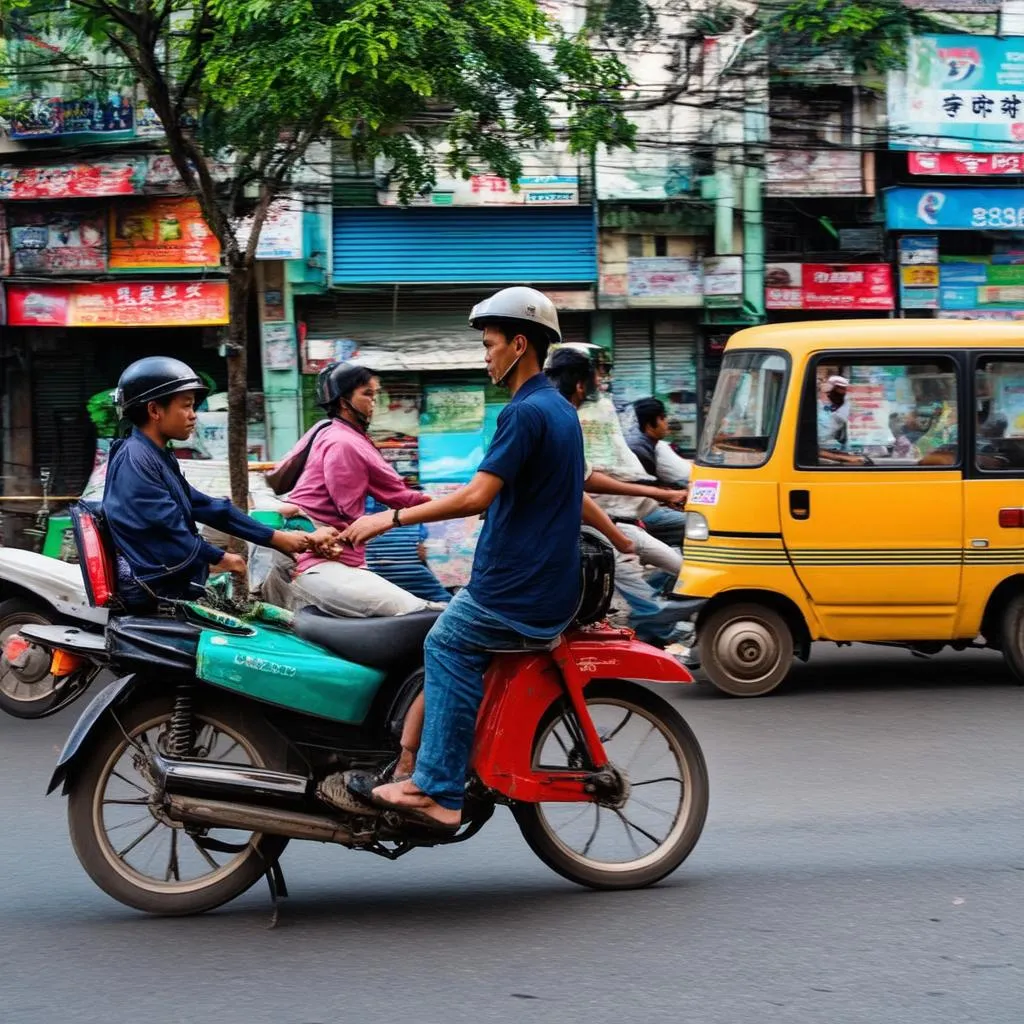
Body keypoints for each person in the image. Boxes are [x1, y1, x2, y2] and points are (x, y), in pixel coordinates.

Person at [322, 286, 605, 831]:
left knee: (444, 641)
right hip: (538, 581)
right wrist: (618, 539)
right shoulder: (558, 410)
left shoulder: (524, 413)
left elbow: (476, 495)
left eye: (492, 344)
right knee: (442, 640)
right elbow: (561, 494)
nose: (486, 355)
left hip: (516, 589)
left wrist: (390, 518)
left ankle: (439, 790)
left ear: (520, 344)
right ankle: (408, 765)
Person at [103, 356, 319, 610]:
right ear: (154, 410)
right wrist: (222, 558)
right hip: (155, 588)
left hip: (167, 578)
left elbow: (205, 506)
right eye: (186, 406)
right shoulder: (136, 460)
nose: (193, 416)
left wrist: (274, 537)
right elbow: (167, 530)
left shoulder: (154, 454)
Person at [284, 362, 448, 618]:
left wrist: (451, 503)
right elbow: (352, 509)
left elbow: (400, 495)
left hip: (340, 563)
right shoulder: (342, 442)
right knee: (422, 616)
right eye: (367, 394)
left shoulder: (340, 435)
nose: (374, 402)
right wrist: (453, 503)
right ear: (343, 400)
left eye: (375, 394)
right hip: (320, 565)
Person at [545, 348, 685, 578]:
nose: (601, 383)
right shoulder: (565, 422)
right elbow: (584, 485)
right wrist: (619, 537)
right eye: (597, 376)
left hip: (607, 518)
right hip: (586, 524)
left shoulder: (568, 417)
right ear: (580, 385)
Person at [629, 396, 689, 548]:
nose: (666, 423)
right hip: (641, 514)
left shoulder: (647, 446)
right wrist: (669, 496)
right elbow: (643, 489)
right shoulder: (640, 449)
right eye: (662, 418)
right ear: (650, 424)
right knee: (700, 526)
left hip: (647, 508)